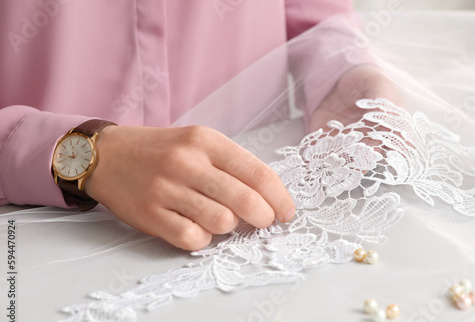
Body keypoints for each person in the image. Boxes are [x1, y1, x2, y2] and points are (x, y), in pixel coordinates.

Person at [0, 0, 399, 251]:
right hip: (42, 237)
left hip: (263, 182)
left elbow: (313, 11)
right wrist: (80, 153)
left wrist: (341, 68)